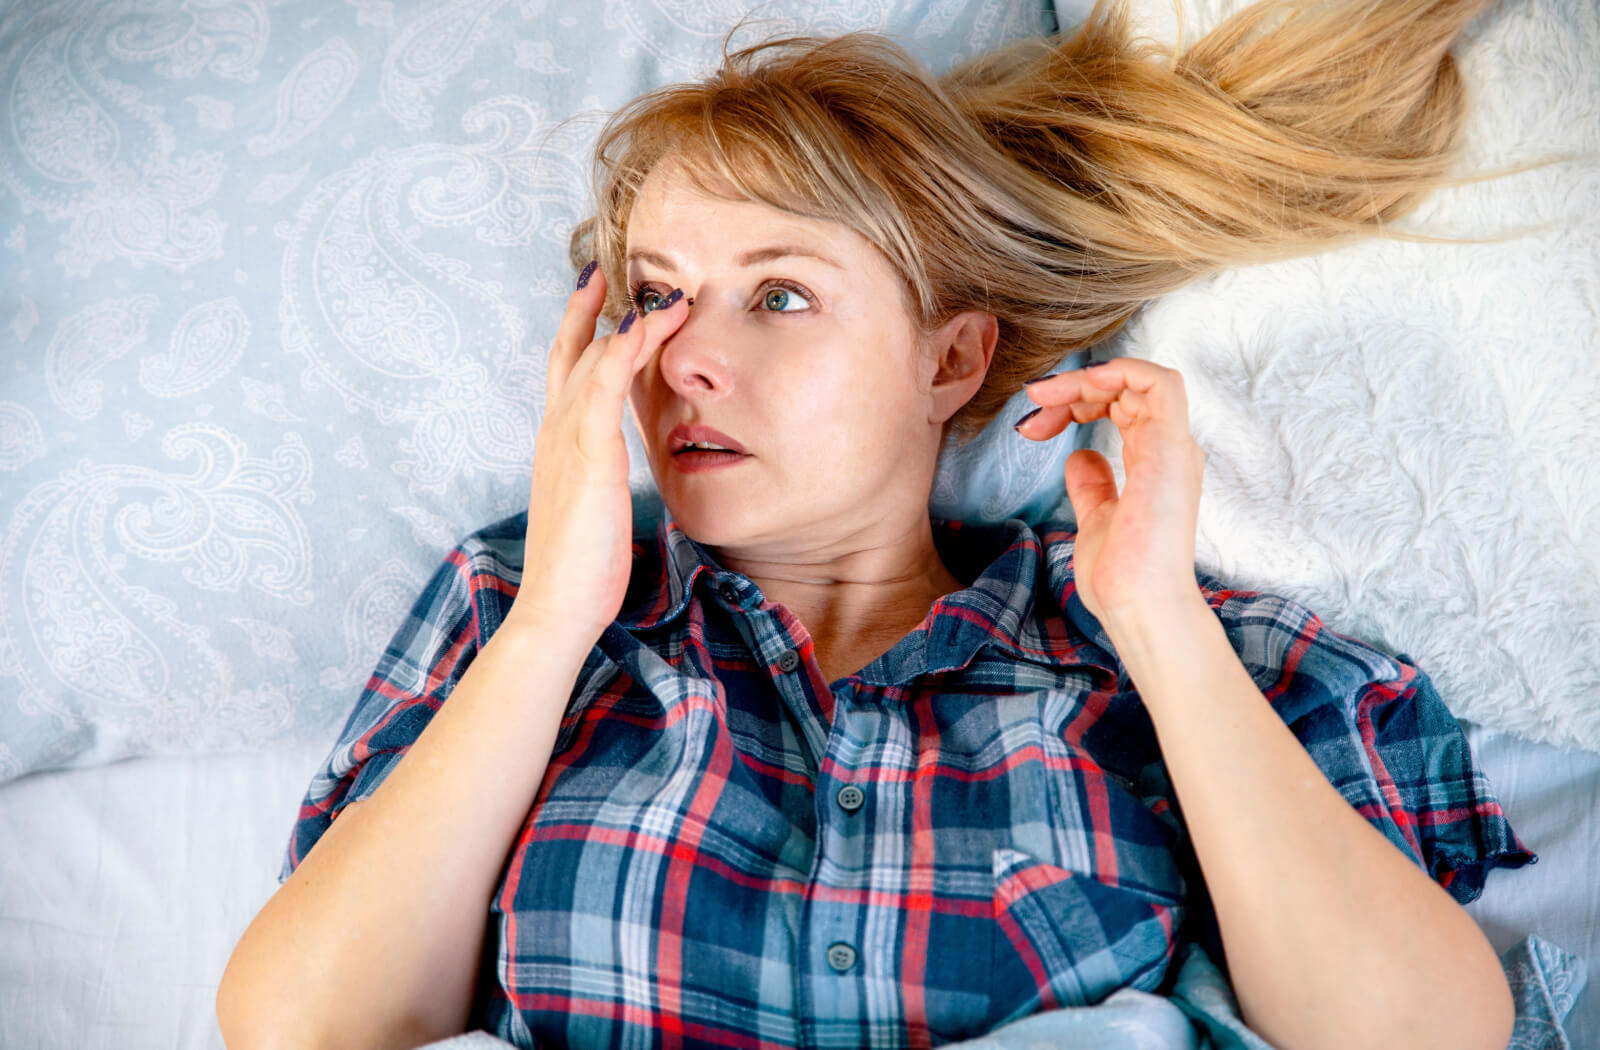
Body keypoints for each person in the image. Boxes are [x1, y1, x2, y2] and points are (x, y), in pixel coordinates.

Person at [217, 1, 1536, 1048]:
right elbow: (300, 1026)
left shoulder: (1165, 649)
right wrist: (560, 614)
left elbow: (1419, 1034)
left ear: (951, 361)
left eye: (780, 296)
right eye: (661, 295)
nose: (689, 360)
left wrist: (1163, 627)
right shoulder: (522, 604)